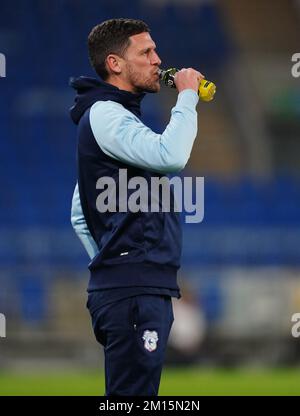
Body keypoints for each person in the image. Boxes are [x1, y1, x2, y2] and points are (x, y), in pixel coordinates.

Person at [70, 18, 202, 396]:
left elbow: (79, 214)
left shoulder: (114, 117)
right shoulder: (106, 115)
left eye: (155, 50)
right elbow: (171, 154)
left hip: (132, 286)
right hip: (133, 290)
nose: (157, 60)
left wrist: (111, 270)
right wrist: (187, 97)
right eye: (145, 52)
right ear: (115, 63)